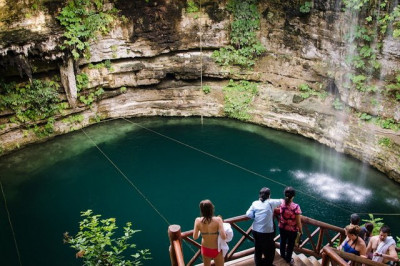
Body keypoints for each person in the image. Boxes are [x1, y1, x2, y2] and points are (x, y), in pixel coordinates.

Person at [246, 187, 281, 266]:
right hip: (266, 232)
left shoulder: (255, 203)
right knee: (270, 250)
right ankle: (268, 264)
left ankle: (258, 264)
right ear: (269, 195)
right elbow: (282, 201)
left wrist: (256, 216)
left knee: (258, 248)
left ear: (259, 195)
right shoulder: (271, 202)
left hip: (255, 230)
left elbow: (248, 214)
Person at [193, 199, 227, 266]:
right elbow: (224, 237)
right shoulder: (218, 220)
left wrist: (200, 231)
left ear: (201, 210)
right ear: (212, 208)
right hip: (216, 248)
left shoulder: (197, 220)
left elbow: (195, 237)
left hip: (205, 249)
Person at [279, 187, 302, 265]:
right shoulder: (296, 207)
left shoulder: (281, 203)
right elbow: (298, 221)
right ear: (293, 196)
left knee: (282, 241)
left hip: (282, 227)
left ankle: (282, 255)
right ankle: (288, 259)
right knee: (290, 244)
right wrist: (301, 231)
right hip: (292, 230)